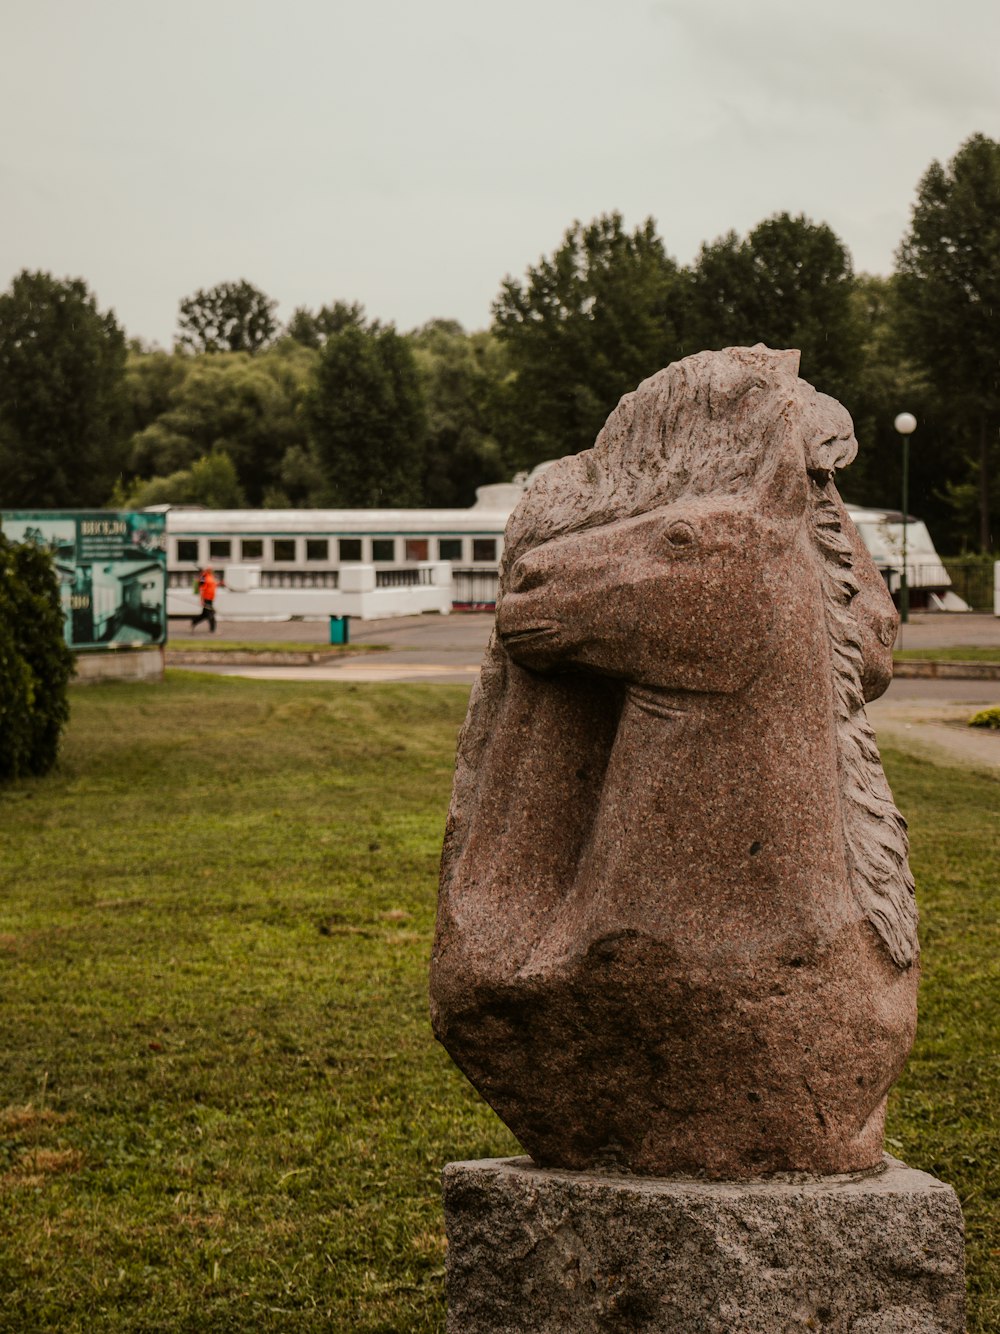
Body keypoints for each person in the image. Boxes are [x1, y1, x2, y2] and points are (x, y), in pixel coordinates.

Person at [191, 567, 221, 632]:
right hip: (206, 598)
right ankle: (213, 629)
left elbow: (213, 585)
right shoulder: (203, 577)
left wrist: (220, 583)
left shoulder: (211, 577)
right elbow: (201, 589)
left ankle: (194, 621)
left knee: (204, 614)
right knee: (211, 613)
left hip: (210, 598)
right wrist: (201, 600)